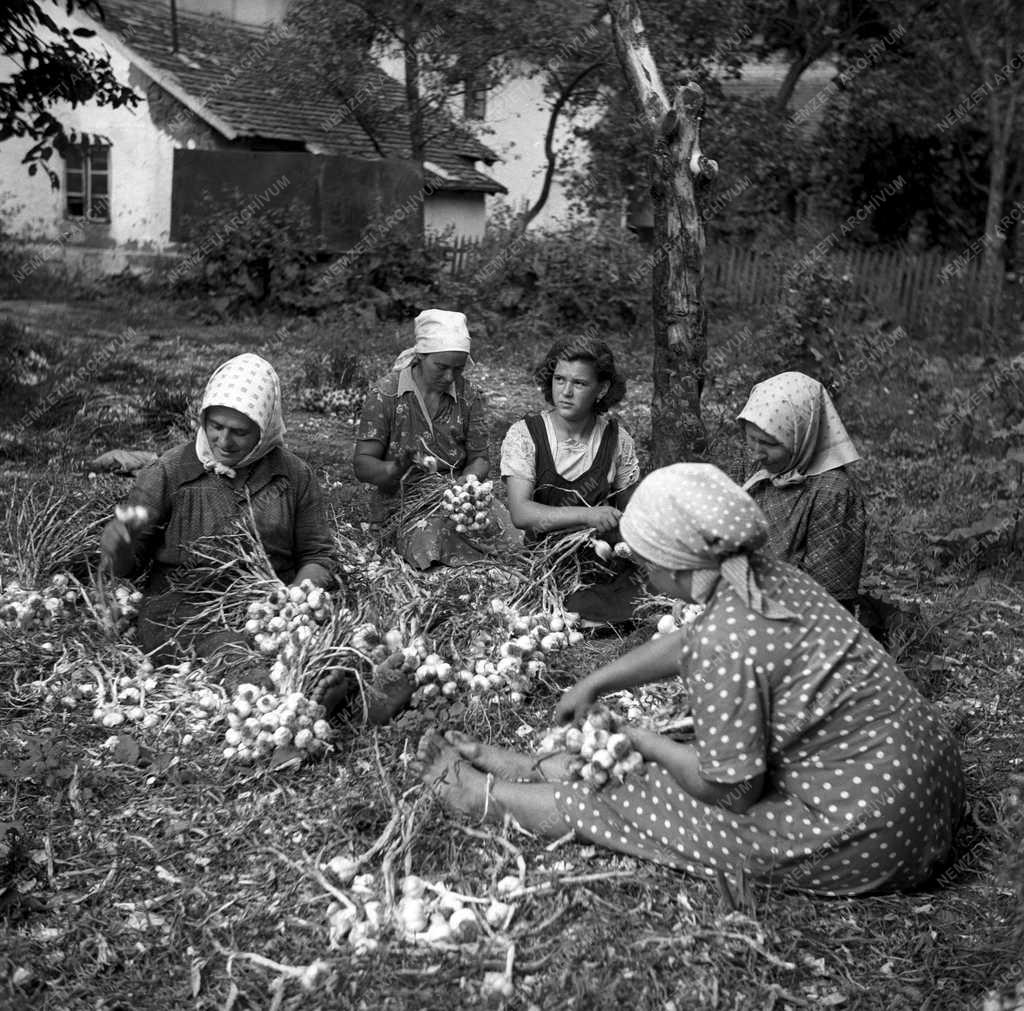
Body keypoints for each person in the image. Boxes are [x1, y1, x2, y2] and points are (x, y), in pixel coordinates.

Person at [415, 464, 964, 896]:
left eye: (645, 556)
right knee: (662, 758)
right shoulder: (761, 576)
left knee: (638, 794)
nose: (638, 564)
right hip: (925, 785)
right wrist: (594, 683)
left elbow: (731, 791)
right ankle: (535, 768)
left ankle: (486, 797)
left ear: (678, 565)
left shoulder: (727, 641)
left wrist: (642, 741)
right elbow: (689, 642)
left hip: (873, 832)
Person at [99, 353, 337, 671]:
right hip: (184, 610)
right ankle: (259, 678)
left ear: (264, 429)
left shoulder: (293, 476)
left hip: (270, 603)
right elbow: (126, 568)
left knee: (321, 639)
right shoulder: (169, 471)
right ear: (203, 419)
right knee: (226, 648)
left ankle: (334, 677)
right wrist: (120, 545)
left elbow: (318, 557)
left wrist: (293, 601)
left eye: (239, 432)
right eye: (216, 426)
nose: (223, 441)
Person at [354, 308, 518, 570]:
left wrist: (467, 483)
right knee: (431, 541)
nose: (450, 377)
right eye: (441, 367)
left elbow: (480, 459)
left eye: (458, 369)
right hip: (405, 501)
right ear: (420, 355)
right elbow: (363, 464)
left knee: (509, 540)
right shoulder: (386, 395)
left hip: (456, 495)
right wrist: (395, 468)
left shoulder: (468, 395)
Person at [500, 335, 641, 624]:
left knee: (656, 587)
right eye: (559, 379)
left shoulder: (616, 440)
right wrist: (587, 515)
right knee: (579, 600)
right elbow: (521, 513)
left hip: (601, 557)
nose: (565, 392)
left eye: (579, 383)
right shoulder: (526, 435)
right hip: (550, 560)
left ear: (601, 389)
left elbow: (632, 511)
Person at [738, 371, 866, 611]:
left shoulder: (832, 492)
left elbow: (825, 594)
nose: (756, 452)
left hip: (801, 621)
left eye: (769, 443)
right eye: (751, 438)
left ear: (802, 436)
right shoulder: (761, 468)